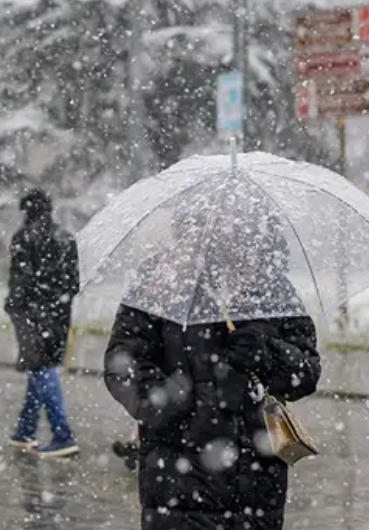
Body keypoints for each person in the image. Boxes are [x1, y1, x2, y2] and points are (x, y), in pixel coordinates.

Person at [104, 210, 321, 530]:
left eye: (236, 229)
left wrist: (267, 353)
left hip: (256, 489)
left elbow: (306, 373)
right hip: (179, 487)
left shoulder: (271, 287)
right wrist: (178, 399)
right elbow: (122, 365)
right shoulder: (159, 283)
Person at [6, 188, 80, 458]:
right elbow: (73, 284)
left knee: (40, 368)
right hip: (59, 315)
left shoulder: (24, 238)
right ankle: (24, 431)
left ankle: (63, 435)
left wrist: (14, 307)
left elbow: (20, 282)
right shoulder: (65, 237)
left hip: (32, 316)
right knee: (39, 368)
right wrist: (57, 304)